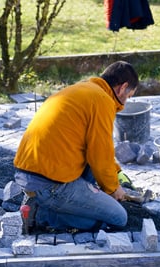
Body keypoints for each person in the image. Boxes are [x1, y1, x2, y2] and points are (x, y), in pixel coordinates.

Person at [14, 61, 139, 232]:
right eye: (129, 96)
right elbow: (100, 156)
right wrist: (113, 189)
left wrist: (116, 171)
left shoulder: (83, 90)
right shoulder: (103, 101)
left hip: (29, 172)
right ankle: (40, 215)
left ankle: (55, 203)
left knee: (93, 174)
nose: (126, 101)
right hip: (49, 185)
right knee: (118, 218)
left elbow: (98, 147)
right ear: (122, 87)